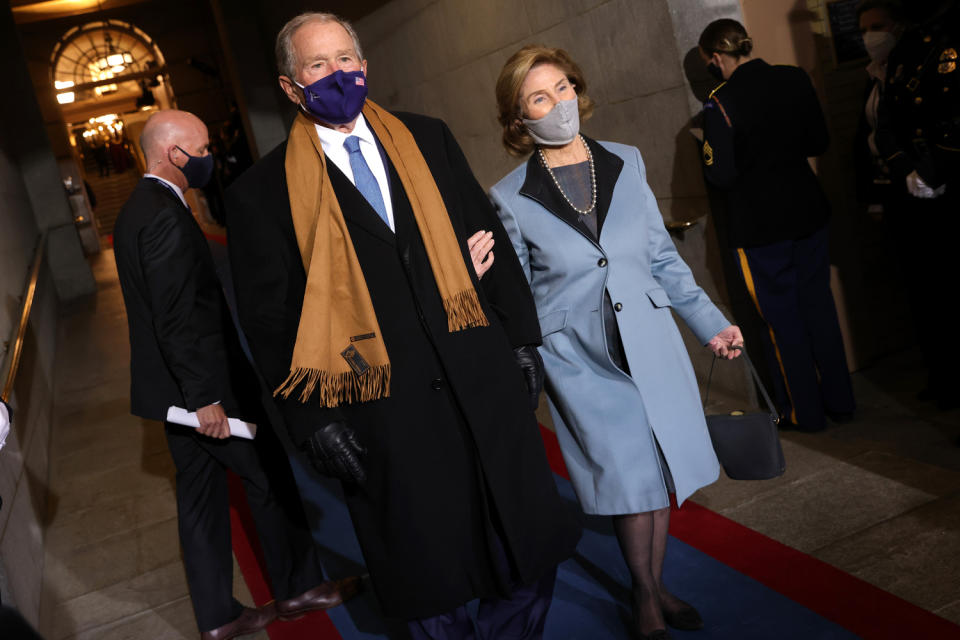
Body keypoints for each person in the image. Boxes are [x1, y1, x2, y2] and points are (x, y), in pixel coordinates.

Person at [224, 12, 579, 640]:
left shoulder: (428, 139)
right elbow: (271, 324)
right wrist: (312, 422)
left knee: (523, 549)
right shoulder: (261, 194)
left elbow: (485, 235)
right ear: (289, 86)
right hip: (381, 407)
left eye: (345, 59)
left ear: (365, 65)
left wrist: (521, 340)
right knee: (427, 578)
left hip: (480, 379)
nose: (337, 74)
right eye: (317, 65)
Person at [489, 45, 744, 640]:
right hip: (580, 357)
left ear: (578, 89)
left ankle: (653, 586)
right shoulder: (507, 195)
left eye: (562, 88)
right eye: (538, 98)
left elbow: (660, 256)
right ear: (518, 119)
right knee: (629, 483)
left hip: (648, 339)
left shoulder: (626, 160)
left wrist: (711, 324)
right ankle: (646, 600)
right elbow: (519, 295)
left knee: (656, 476)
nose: (558, 104)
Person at [113, 109, 360, 640]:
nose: (207, 158)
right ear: (172, 153)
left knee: (199, 500)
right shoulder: (161, 214)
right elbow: (177, 315)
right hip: (206, 388)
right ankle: (299, 589)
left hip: (171, 394)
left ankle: (217, 619)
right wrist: (206, 399)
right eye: (199, 149)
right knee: (267, 474)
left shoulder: (138, 208)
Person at [698, 19, 856, 432]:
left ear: (716, 58)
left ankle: (805, 412)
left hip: (761, 227)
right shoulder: (793, 78)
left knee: (782, 320)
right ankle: (841, 402)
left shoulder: (721, 103)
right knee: (819, 307)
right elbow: (817, 142)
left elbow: (722, 175)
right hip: (807, 210)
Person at [874, 0, 960, 409]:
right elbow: (888, 117)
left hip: (950, 180)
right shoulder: (907, 45)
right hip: (914, 191)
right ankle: (945, 382)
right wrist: (906, 169)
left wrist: (935, 168)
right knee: (930, 296)